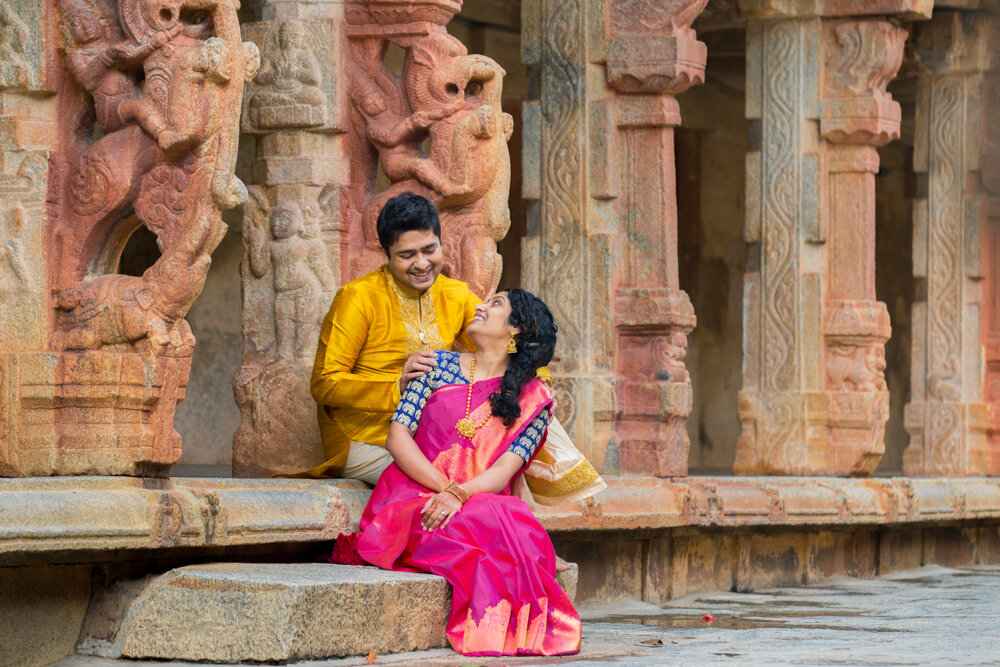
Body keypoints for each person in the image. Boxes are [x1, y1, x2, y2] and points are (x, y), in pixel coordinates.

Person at [309, 191, 605, 503]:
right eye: (407, 255)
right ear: (387, 253)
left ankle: (567, 487)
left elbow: (506, 337)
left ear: (441, 242)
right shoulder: (358, 297)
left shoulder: (455, 294)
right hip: (368, 437)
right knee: (468, 485)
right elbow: (324, 383)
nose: (422, 264)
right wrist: (396, 385)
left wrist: (540, 381)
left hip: (435, 429)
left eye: (429, 250)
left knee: (527, 400)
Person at [357, 289, 582, 656]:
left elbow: (505, 470)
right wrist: (446, 489)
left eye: (495, 304)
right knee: (497, 521)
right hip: (413, 495)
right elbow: (398, 438)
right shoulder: (436, 365)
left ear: (516, 330)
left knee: (508, 516)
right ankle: (498, 631)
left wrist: (459, 495)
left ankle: (506, 631)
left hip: (474, 498)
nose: (480, 306)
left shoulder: (533, 399)